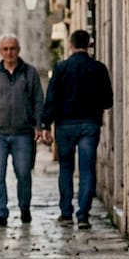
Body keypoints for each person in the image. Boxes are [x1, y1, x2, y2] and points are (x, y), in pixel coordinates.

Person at [38, 29, 113, 229]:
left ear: (70, 45)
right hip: (90, 124)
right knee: (87, 168)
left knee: (66, 168)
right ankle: (83, 215)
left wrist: (45, 125)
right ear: (89, 44)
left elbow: (51, 99)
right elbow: (108, 101)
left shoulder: (61, 68)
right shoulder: (99, 68)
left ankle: (66, 213)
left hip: (65, 125)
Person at [0, 34, 44, 229]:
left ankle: (24, 207)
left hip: (23, 133)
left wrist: (40, 126)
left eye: (12, 48)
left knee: (23, 173)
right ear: (0, 51)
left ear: (18, 50)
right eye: (5, 49)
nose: (9, 52)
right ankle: (0, 213)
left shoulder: (30, 73)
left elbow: (38, 101)